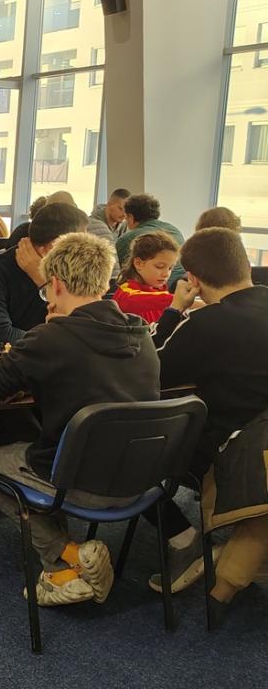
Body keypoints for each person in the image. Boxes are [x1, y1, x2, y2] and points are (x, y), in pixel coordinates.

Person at [0, 231, 160, 607]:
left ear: (55, 284)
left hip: (81, 481)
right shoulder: (140, 331)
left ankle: (68, 557)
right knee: (44, 450)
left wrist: (45, 334)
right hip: (142, 479)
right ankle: (61, 573)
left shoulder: (50, 337)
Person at [143, 228, 268, 595]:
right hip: (260, 447)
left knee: (125, 453)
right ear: (245, 264)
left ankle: (185, 540)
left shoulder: (207, 324)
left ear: (193, 280)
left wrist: (174, 311)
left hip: (229, 451)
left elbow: (149, 372)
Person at [0, 202, 87, 351]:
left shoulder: (68, 270)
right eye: (78, 246)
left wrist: (42, 281)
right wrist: (57, 342)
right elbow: (2, 336)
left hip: (46, 355)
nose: (83, 253)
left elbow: (82, 328)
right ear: (54, 245)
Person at [115, 193, 186, 286]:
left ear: (131, 217)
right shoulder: (174, 230)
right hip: (182, 284)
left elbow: (116, 271)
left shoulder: (128, 239)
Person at [110, 232, 179, 323]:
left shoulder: (160, 291)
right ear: (138, 263)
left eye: (170, 268)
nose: (166, 274)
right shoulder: (125, 292)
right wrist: (179, 300)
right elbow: (135, 300)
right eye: (159, 267)